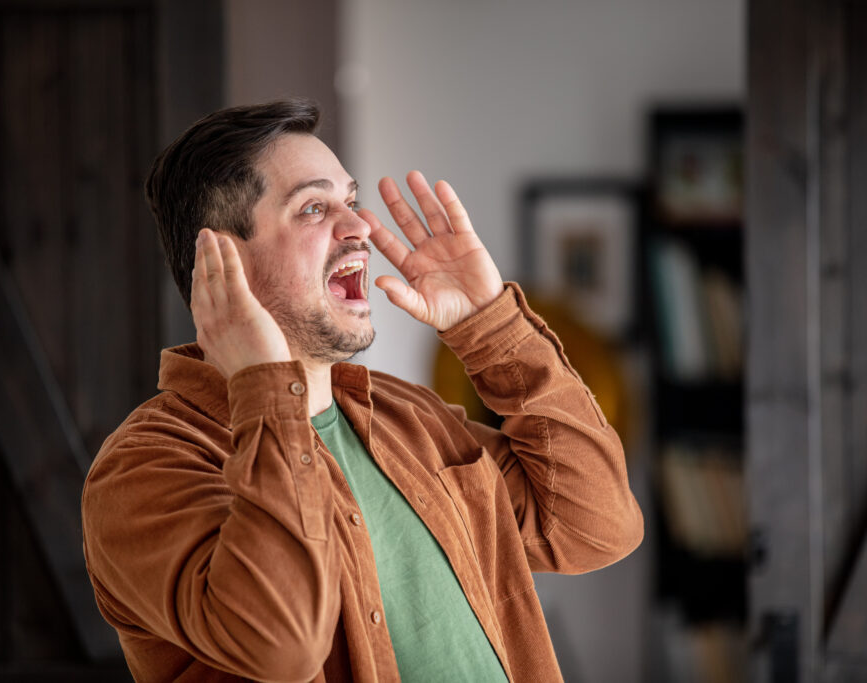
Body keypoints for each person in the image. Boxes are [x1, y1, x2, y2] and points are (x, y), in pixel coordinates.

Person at [81, 98, 643, 683]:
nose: (360, 227)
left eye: (349, 202)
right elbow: (282, 645)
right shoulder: (143, 470)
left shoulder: (413, 419)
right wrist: (266, 389)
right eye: (314, 208)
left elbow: (598, 526)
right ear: (220, 258)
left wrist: (490, 325)